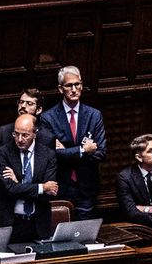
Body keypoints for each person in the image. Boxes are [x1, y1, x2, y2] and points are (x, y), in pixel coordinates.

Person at [39, 65, 106, 218]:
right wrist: (83, 150)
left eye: (78, 84)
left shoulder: (94, 115)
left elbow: (101, 152)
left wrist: (66, 152)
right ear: (60, 89)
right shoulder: (48, 118)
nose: (74, 89)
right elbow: (51, 155)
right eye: (69, 85)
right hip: (61, 185)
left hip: (87, 187)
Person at [0, 114, 58, 243]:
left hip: (37, 224)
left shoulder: (49, 155)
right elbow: (9, 189)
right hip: (8, 222)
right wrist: (41, 187)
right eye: (16, 134)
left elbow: (50, 193)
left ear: (35, 133)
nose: (19, 139)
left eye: (25, 135)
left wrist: (18, 185)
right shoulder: (3, 153)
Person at [0, 88, 54, 153]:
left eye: (29, 103)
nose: (23, 106)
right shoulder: (4, 132)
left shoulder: (47, 137)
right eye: (21, 102)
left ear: (38, 110)